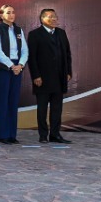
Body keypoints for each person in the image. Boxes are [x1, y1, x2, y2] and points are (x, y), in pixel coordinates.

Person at [27, 9, 72, 144]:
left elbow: (67, 54)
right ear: (42, 19)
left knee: (57, 108)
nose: (54, 19)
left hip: (59, 77)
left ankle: (55, 134)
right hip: (42, 79)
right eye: (50, 17)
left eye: (55, 16)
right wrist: (36, 76)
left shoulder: (61, 33)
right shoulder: (35, 34)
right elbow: (32, 57)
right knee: (42, 108)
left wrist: (68, 72)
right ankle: (43, 135)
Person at [0, 4, 29, 145]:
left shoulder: (18, 30)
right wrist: (11, 65)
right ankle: (2, 134)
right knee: (2, 101)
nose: (11, 15)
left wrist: (21, 65)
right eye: (8, 12)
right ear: (1, 15)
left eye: (13, 12)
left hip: (17, 68)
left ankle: (12, 134)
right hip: (3, 68)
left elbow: (24, 50)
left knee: (13, 101)